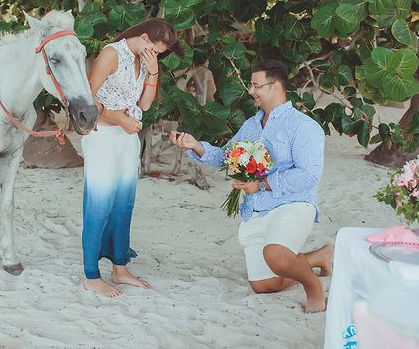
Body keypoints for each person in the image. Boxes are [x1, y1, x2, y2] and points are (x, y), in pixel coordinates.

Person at [170, 59, 333, 313]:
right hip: (256, 209)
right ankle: (318, 257)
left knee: (276, 254)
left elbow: (309, 176)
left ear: (276, 86)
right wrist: (196, 146)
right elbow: (226, 156)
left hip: (292, 203)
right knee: (264, 284)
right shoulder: (251, 126)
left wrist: (262, 184)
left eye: (257, 86)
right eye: (251, 85)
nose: (251, 91)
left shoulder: (304, 127)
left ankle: (313, 287)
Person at [81, 18, 181, 297]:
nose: (155, 55)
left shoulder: (145, 60)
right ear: (144, 37)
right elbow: (86, 98)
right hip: (102, 135)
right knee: (99, 204)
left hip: (127, 138)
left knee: (124, 204)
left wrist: (153, 71)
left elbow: (144, 105)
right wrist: (118, 119)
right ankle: (91, 275)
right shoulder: (111, 54)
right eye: (155, 50)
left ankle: (120, 268)